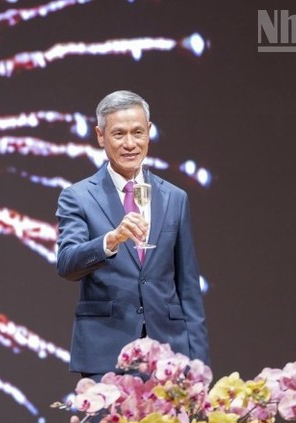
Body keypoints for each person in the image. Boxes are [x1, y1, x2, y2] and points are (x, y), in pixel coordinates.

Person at [56, 91, 209, 379]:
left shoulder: (175, 198)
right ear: (100, 136)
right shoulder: (77, 197)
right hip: (106, 355)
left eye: (138, 132)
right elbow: (67, 263)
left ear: (149, 133)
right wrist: (110, 241)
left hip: (169, 356)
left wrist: (199, 367)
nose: (130, 143)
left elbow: (188, 288)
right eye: (119, 134)